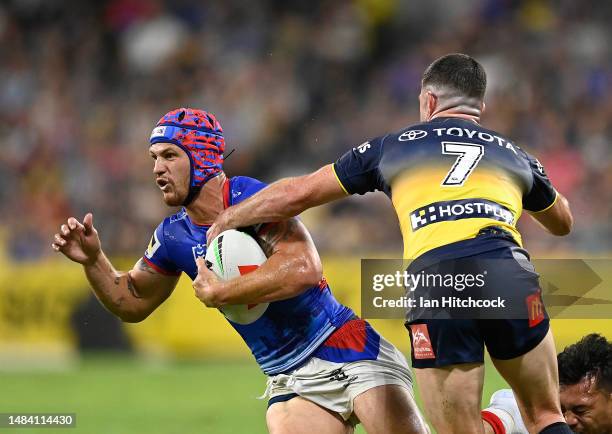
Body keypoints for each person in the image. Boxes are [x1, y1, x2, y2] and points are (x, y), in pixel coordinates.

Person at [206, 53, 575, 434]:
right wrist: (530, 189)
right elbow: (562, 221)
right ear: (480, 107)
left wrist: (232, 215)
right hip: (505, 268)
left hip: (438, 278)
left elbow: (301, 192)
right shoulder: (514, 154)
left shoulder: (394, 146)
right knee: (546, 415)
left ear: (429, 101)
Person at [51, 108, 429, 434]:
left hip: (344, 347)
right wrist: (93, 260)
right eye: (153, 158)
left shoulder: (248, 197)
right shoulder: (171, 235)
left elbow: (304, 269)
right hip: (288, 378)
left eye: (169, 156)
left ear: (200, 157)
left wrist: (223, 294)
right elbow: (130, 301)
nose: (157, 169)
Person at [482, 333, 612, 434]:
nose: (567, 421)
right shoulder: (536, 411)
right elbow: (505, 413)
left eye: (580, 410)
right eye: (561, 410)